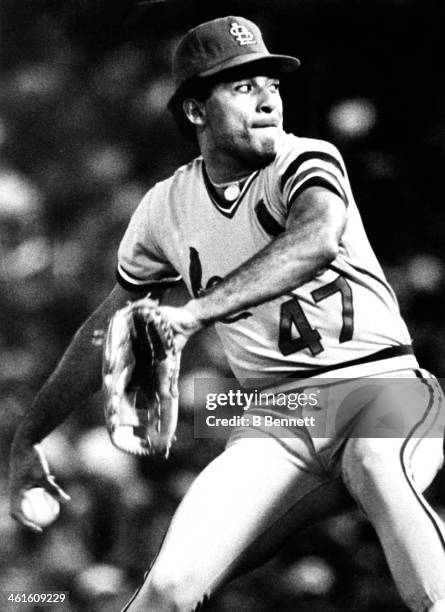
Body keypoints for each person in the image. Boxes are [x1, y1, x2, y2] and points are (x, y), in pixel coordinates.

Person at [9, 15, 445, 612]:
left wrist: (194, 314)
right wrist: (30, 435)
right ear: (195, 111)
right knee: (166, 588)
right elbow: (108, 327)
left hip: (383, 388)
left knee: (377, 461)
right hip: (280, 418)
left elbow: (315, 240)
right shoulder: (165, 208)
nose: (269, 97)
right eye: (243, 86)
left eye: (273, 83)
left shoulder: (305, 160)